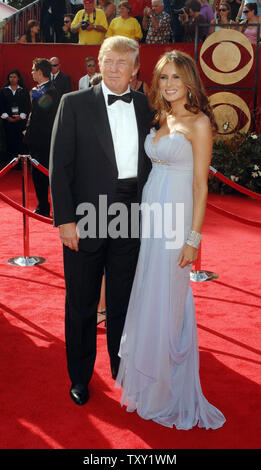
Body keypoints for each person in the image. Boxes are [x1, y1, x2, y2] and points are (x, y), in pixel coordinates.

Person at [115, 50, 226, 430]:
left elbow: (200, 187)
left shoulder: (198, 123)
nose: (169, 85)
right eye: (163, 78)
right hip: (152, 214)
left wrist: (193, 239)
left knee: (169, 298)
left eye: (176, 78)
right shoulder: (163, 116)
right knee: (149, 291)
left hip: (177, 219)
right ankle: (150, 381)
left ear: (190, 80)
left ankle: (167, 386)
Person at [49, 36, 152, 406]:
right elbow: (60, 168)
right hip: (86, 217)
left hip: (131, 215)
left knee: (124, 301)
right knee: (81, 302)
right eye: (107, 60)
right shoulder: (73, 103)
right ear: (97, 62)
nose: (112, 68)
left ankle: (121, 370)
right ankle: (79, 376)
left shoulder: (144, 105)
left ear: (135, 70)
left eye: (121, 62)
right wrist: (65, 221)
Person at [26, 58, 59, 217]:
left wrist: (38, 95)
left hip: (45, 141)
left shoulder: (51, 90)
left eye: (33, 70)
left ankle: (51, 208)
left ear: (40, 72)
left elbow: (47, 112)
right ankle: (42, 206)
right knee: (37, 175)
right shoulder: (39, 89)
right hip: (35, 139)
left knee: (45, 174)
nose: (31, 72)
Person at [0, 70, 30, 165]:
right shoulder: (3, 90)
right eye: (10, 77)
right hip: (7, 121)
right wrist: (7, 117)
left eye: (14, 77)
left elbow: (27, 105)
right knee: (8, 140)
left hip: (20, 121)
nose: (12, 79)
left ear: (18, 78)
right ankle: (8, 163)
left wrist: (21, 116)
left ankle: (20, 164)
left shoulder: (23, 90)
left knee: (19, 141)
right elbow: (1, 105)